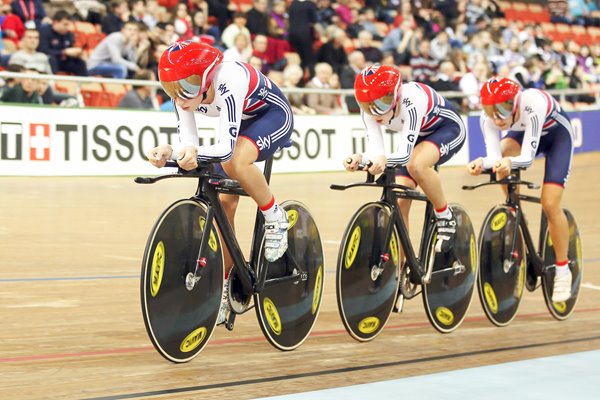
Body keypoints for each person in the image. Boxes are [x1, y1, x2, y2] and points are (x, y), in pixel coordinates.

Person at [147, 40, 293, 324]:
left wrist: (187, 153)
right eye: (171, 88)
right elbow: (189, 143)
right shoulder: (185, 96)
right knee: (223, 207)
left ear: (207, 76)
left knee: (235, 161)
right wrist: (170, 152)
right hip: (239, 125)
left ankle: (275, 216)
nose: (179, 96)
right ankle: (229, 284)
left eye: (187, 85)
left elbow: (225, 148)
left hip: (272, 117)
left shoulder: (230, 79)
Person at [467, 77, 575, 303]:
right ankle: (515, 208)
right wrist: (480, 163)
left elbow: (525, 159)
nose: (496, 117)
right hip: (522, 135)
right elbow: (495, 158)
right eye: (490, 109)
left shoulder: (531, 103)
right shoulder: (487, 118)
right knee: (501, 163)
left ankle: (563, 269)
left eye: (502, 109)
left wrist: (506, 163)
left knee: (550, 204)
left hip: (557, 138)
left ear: (515, 103)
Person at [344, 64, 466, 254]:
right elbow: (378, 152)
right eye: (366, 104)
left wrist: (378, 160)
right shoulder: (368, 110)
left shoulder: (411, 99)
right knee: (400, 200)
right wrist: (361, 158)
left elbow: (403, 155)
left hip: (447, 129)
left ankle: (445, 215)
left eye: (382, 103)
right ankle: (402, 272)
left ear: (395, 95)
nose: (374, 111)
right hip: (418, 135)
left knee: (417, 165)